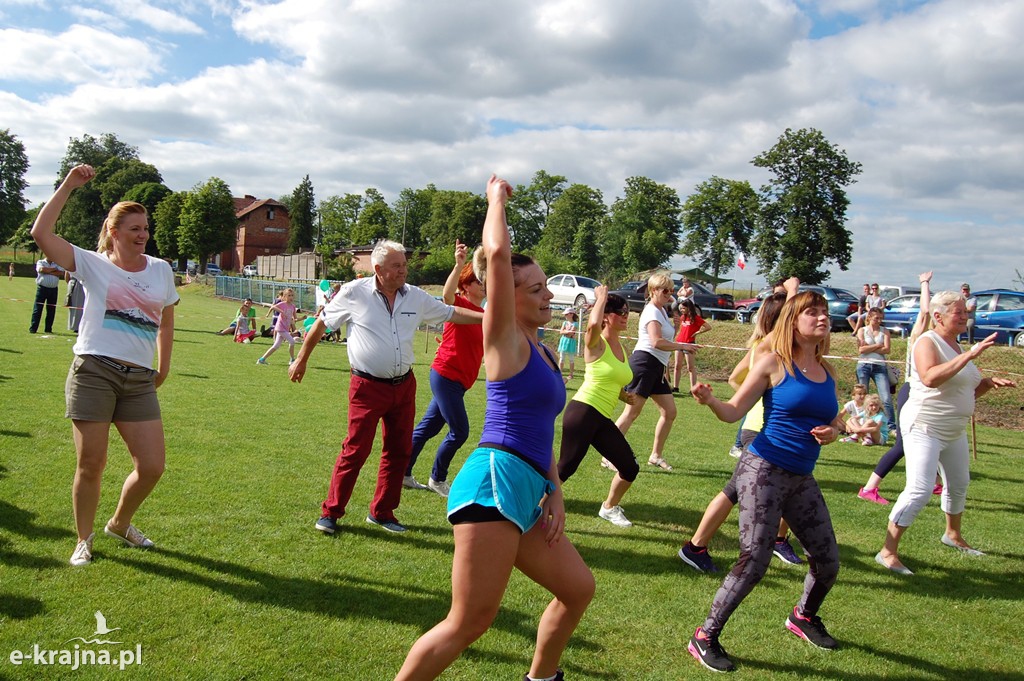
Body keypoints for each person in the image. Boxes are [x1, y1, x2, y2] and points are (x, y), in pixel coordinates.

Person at [394, 175, 593, 681]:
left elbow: (542, 430)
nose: (547, 295)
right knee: (469, 622)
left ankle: (542, 678)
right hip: (494, 484)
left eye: (547, 285)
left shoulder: (546, 350)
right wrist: (496, 200)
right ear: (509, 296)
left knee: (577, 589)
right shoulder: (504, 338)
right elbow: (498, 256)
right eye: (535, 288)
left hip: (528, 488)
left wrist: (556, 491)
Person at [687, 291, 844, 673]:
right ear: (794, 319)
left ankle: (803, 617)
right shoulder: (773, 363)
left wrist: (835, 431)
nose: (821, 318)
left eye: (824, 312)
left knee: (827, 561)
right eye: (812, 312)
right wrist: (709, 400)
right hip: (763, 469)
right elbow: (733, 412)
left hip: (801, 477)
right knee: (755, 559)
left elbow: (836, 419)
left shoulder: (828, 371)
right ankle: (704, 636)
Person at [31, 164, 178, 566]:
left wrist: (162, 367)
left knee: (151, 466)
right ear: (114, 232)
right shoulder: (94, 263)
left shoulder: (161, 269)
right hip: (95, 371)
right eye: (134, 228)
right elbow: (41, 235)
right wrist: (68, 186)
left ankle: (119, 523)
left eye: (145, 227)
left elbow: (165, 320)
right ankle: (84, 538)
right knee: (91, 463)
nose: (143, 233)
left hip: (139, 379)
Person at [290, 240, 482, 535]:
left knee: (399, 450)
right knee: (356, 449)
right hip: (367, 387)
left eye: (405, 264)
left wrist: (489, 318)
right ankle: (331, 512)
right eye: (397, 266)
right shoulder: (355, 293)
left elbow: (452, 313)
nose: (404, 270)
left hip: (403, 387)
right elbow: (321, 324)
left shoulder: (415, 297)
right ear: (378, 269)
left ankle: (382, 512)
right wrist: (301, 360)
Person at [875, 293, 1015, 575]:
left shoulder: (955, 344)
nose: (964, 316)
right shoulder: (927, 341)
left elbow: (964, 392)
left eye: (965, 311)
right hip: (924, 426)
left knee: (959, 482)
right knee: (920, 489)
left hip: (953, 429)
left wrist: (987, 383)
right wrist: (969, 356)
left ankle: (952, 535)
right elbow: (929, 377)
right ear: (938, 316)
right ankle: (887, 552)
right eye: (958, 312)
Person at [678, 288, 805, 574]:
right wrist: (757, 397)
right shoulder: (767, 348)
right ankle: (696, 547)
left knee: (783, 490)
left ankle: (777, 540)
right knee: (736, 491)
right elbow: (737, 381)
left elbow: (736, 379)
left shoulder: (791, 351)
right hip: (760, 431)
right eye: (794, 315)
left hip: (772, 433)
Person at [403, 239, 485, 497]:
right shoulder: (459, 305)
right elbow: (446, 296)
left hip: (458, 382)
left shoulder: (485, 312)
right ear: (466, 286)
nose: (484, 285)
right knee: (460, 431)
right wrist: (459, 264)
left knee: (428, 428)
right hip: (446, 374)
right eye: (478, 281)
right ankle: (437, 479)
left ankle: (402, 473)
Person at [557, 285, 640, 528]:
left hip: (601, 418)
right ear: (605, 315)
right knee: (565, 469)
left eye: (627, 312)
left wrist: (624, 396)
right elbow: (592, 326)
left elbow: (610, 378)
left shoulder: (621, 348)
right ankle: (532, 509)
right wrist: (601, 298)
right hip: (583, 411)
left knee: (629, 467)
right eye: (619, 312)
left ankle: (609, 507)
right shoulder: (596, 342)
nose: (625, 316)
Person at [859, 272, 935, 504]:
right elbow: (925, 312)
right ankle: (870, 488)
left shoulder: (942, 341)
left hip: (931, 398)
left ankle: (938, 483)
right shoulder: (921, 337)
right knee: (903, 445)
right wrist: (924, 285)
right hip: (914, 393)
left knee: (939, 441)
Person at [615, 272, 698, 471]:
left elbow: (663, 341)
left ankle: (655, 455)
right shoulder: (652, 311)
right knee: (631, 413)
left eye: (671, 290)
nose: (669, 294)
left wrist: (675, 329)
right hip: (644, 364)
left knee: (669, 412)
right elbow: (656, 342)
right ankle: (609, 456)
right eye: (665, 290)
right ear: (653, 291)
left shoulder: (661, 310)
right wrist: (682, 346)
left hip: (657, 367)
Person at [855, 307, 896, 433]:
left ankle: (891, 426)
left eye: (880, 318)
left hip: (880, 366)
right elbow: (861, 350)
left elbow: (887, 349)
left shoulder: (885, 331)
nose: (879, 320)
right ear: (869, 318)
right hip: (864, 365)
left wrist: (870, 347)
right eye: (876, 318)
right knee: (862, 395)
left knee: (885, 398)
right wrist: (878, 345)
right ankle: (862, 422)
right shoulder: (862, 330)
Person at [671, 299, 711, 392]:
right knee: (677, 365)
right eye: (680, 308)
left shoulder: (696, 318)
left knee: (690, 367)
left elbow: (708, 327)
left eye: (683, 308)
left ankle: (693, 388)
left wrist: (698, 332)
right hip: (679, 343)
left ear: (689, 308)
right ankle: (675, 387)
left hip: (689, 343)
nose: (681, 310)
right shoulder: (682, 317)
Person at [256, 289, 297, 365]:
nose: (291, 297)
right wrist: (281, 311)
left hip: (285, 328)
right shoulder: (282, 304)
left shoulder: (293, 307)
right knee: (292, 341)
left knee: (276, 346)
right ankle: (292, 360)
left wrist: (302, 318)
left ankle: (261, 359)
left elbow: (295, 318)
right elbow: (272, 307)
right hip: (280, 328)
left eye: (292, 295)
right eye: (289, 295)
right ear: (284, 296)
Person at [30, 253, 64, 334]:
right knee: (38, 309)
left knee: (51, 310)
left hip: (53, 290)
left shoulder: (57, 263)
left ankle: (48, 329)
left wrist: (47, 271)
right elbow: (41, 270)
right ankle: (33, 328)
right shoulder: (41, 262)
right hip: (42, 289)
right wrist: (54, 270)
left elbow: (61, 273)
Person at [557, 309, 579, 382]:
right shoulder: (564, 322)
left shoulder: (575, 324)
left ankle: (571, 374)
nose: (565, 316)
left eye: (566, 314)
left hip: (571, 342)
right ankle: (560, 373)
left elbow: (571, 334)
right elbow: (561, 332)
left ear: (571, 314)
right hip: (563, 340)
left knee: (571, 359)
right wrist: (567, 332)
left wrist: (565, 332)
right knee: (561, 358)